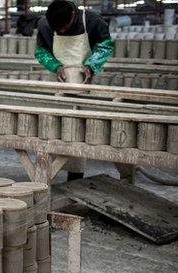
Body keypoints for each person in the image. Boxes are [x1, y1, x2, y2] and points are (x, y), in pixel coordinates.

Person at [35, 0, 114, 180]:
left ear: (72, 14)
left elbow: (104, 46)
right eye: (58, 29)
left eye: (64, 27)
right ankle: (47, 173)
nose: (61, 31)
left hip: (84, 82)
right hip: (59, 81)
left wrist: (91, 66)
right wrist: (55, 66)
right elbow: (41, 52)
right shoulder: (45, 25)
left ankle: (75, 177)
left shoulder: (93, 21)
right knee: (53, 127)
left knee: (78, 130)